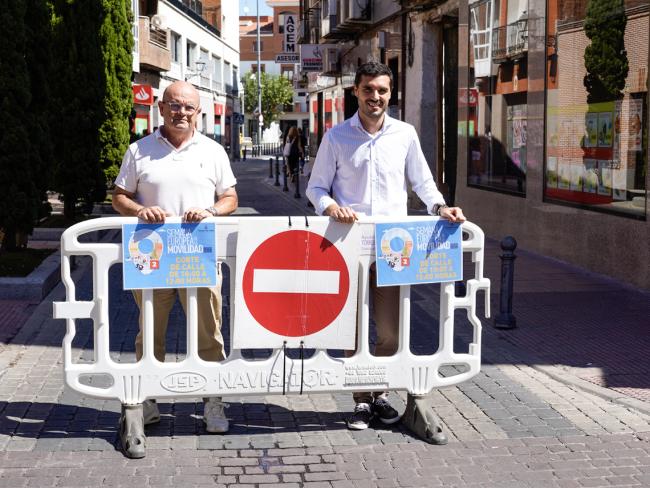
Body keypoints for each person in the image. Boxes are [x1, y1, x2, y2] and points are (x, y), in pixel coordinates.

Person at [306, 62, 466, 431]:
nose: (374, 97)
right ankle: (363, 400)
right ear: (356, 92)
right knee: (353, 329)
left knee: (391, 330)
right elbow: (316, 188)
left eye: (381, 90)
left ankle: (378, 393)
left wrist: (441, 207)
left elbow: (423, 182)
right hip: (348, 244)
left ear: (390, 94)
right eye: (368, 89)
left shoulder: (405, 134)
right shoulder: (336, 137)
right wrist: (331, 207)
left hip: (393, 247)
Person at [113, 81, 238, 455]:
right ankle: (147, 400)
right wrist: (139, 210)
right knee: (149, 333)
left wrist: (212, 210)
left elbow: (230, 196)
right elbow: (119, 195)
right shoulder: (139, 150)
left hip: (197, 257)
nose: (180, 112)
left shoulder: (213, 151)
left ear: (198, 112)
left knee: (208, 333)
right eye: (174, 106)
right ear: (161, 107)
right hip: (151, 259)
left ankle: (212, 401)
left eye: (188, 107)